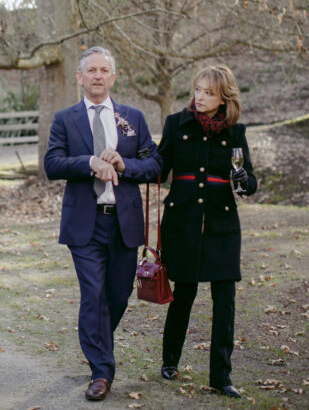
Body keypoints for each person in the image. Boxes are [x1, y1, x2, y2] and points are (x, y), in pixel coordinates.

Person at [44, 46, 161, 402]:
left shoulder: (133, 118)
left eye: (103, 70)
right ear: (80, 78)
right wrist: (90, 162)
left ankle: (96, 342)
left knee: (117, 296)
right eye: (90, 70)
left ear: (112, 77)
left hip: (123, 222)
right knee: (93, 295)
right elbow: (52, 164)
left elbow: (155, 165)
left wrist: (124, 165)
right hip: (85, 224)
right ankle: (101, 371)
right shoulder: (65, 119)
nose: (97, 75)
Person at [157, 65, 256, 399]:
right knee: (183, 293)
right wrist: (135, 162)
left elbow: (250, 182)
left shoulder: (236, 132)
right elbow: (159, 167)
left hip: (222, 224)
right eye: (197, 89)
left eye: (208, 92)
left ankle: (220, 376)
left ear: (223, 97)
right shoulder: (176, 124)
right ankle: (169, 361)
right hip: (183, 221)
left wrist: (243, 182)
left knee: (224, 299)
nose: (199, 97)